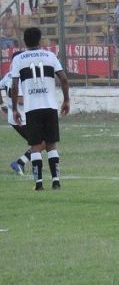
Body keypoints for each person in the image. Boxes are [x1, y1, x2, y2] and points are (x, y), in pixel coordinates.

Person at [9, 27, 70, 190]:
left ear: (25, 41)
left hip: (32, 108)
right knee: (51, 144)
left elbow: (14, 85)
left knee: (36, 145)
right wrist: (66, 100)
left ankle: (38, 184)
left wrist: (15, 109)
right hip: (49, 106)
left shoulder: (19, 59)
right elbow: (64, 79)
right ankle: (56, 182)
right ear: (40, 40)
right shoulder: (49, 55)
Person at [1, 51, 31, 175]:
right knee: (41, 142)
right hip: (21, 117)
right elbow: (20, 100)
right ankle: (19, 163)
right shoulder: (19, 78)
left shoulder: (8, 75)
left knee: (40, 142)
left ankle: (21, 163)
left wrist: (2, 104)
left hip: (13, 117)